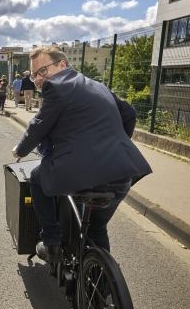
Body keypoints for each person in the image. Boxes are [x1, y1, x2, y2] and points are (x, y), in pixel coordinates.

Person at [11, 45, 152, 262]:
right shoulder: (98, 86)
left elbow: (39, 125)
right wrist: (111, 144)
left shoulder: (56, 86)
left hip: (83, 173)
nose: (39, 79)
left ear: (62, 65)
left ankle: (51, 244)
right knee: (96, 229)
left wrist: (19, 150)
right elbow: (129, 114)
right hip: (122, 173)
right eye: (36, 74)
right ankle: (103, 290)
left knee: (36, 179)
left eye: (43, 71)